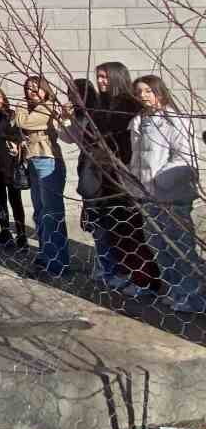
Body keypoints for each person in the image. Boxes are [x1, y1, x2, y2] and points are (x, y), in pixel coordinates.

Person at [74, 64, 155, 296]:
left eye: (105, 77)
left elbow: (127, 142)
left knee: (131, 229)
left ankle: (144, 279)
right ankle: (124, 273)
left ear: (117, 78)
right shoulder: (101, 105)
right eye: (98, 77)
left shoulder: (128, 106)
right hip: (104, 177)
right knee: (113, 229)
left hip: (124, 175)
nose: (100, 81)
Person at [129, 75, 203, 313]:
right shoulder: (139, 121)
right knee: (157, 244)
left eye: (148, 91)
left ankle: (193, 296)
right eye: (139, 91)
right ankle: (174, 289)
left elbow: (185, 156)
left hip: (171, 195)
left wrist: (158, 181)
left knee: (179, 246)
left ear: (159, 92)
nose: (143, 96)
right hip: (147, 195)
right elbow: (137, 158)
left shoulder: (175, 121)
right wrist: (135, 183)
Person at [15, 75, 71, 279]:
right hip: (33, 160)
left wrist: (20, 106)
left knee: (51, 213)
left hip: (47, 160)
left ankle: (58, 262)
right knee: (39, 212)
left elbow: (25, 123)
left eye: (35, 88)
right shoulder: (32, 106)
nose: (31, 92)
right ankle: (45, 255)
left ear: (45, 90)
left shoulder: (48, 107)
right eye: (28, 88)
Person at [0, 86, 27, 251]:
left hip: (8, 163)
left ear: (3, 98)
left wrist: (17, 147)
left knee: (15, 200)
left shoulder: (10, 114)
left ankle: (21, 235)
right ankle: (5, 232)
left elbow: (20, 135)